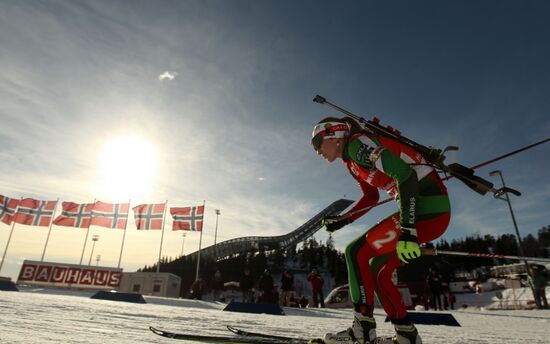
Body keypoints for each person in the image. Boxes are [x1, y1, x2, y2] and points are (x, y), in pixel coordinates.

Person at [311, 117, 451, 344]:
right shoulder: (352, 163)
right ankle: (406, 335)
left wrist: (407, 230)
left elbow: (406, 176)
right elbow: (371, 197)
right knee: (378, 270)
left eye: (318, 143)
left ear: (334, 135)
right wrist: (343, 220)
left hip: (428, 207)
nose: (317, 151)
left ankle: (362, 330)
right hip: (427, 211)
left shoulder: (357, 145)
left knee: (355, 252)